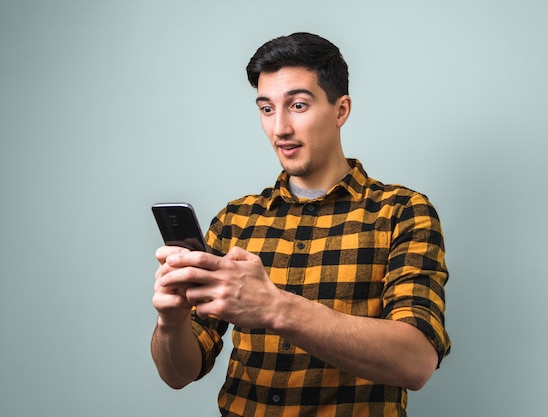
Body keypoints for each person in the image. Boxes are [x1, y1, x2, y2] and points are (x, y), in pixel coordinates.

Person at [151, 32, 451, 416]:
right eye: (266, 109)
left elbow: (417, 361)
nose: (280, 129)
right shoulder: (235, 220)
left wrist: (276, 308)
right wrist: (171, 322)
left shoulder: (402, 212)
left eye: (297, 105)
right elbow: (177, 375)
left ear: (340, 110)